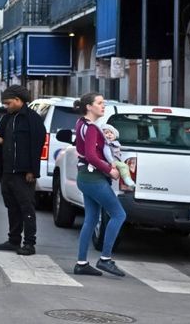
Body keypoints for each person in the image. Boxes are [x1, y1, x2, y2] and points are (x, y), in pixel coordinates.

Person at [71, 92, 127, 278]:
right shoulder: (93, 128)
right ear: (89, 106)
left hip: (85, 177)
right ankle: (105, 259)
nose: (103, 106)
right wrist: (109, 169)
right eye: (100, 103)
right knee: (119, 214)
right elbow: (91, 156)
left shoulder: (82, 124)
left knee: (91, 218)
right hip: (93, 177)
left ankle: (81, 263)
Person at [0, 85, 46, 255]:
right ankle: (14, 240)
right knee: (12, 207)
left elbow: (37, 146)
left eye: (8, 103)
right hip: (8, 172)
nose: (6, 106)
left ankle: (29, 243)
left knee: (26, 207)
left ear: (18, 100)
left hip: (23, 173)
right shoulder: (8, 118)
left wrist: (32, 171)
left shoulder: (32, 119)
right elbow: (2, 139)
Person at [100, 124, 135, 190]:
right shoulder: (107, 144)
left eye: (111, 133)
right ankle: (127, 181)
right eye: (106, 133)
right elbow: (107, 154)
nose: (109, 134)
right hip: (112, 161)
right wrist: (111, 162)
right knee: (124, 166)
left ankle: (127, 181)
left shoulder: (114, 143)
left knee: (125, 167)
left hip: (115, 161)